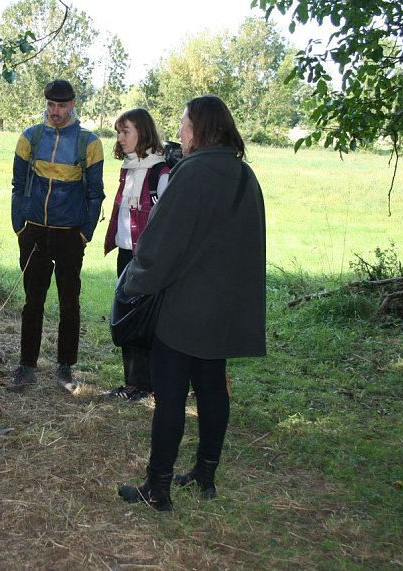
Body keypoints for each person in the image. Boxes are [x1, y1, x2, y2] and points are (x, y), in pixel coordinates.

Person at [117, 95, 266, 511]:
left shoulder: (192, 172)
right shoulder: (244, 175)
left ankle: (158, 488)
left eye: (184, 123)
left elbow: (162, 242)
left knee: (170, 396)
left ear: (200, 128)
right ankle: (205, 475)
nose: (179, 131)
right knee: (213, 390)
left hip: (184, 307)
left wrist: (135, 281)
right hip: (224, 308)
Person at [7, 79, 105, 393]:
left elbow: (95, 194)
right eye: (50, 105)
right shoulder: (30, 138)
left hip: (69, 236)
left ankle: (65, 368)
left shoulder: (89, 143)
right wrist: (20, 227)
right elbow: (17, 184)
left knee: (69, 303)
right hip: (33, 232)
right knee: (32, 302)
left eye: (61, 105)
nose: (55, 112)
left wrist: (84, 235)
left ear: (73, 104)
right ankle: (26, 366)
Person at [103, 108, 179, 402]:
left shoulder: (160, 172)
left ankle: (153, 384)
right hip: (126, 254)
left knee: (148, 320)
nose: (120, 138)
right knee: (128, 317)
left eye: (126, 132)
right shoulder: (129, 168)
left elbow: (167, 221)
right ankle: (134, 383)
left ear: (143, 132)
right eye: (118, 132)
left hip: (148, 259)